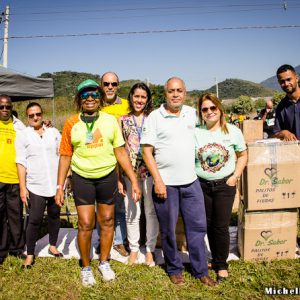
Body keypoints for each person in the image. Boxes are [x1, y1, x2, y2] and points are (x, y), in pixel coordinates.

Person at [55, 79, 141, 286]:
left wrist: (133, 179)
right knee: (85, 223)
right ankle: (86, 267)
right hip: (82, 177)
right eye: (85, 95)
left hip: (107, 176)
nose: (90, 98)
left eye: (94, 94)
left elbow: (120, 151)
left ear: (100, 97)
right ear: (79, 99)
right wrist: (59, 186)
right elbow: (65, 155)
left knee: (108, 221)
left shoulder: (110, 121)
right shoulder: (70, 123)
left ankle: (103, 262)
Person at [141, 77, 216, 286]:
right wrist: (158, 181)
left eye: (179, 90)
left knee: (197, 228)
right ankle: (174, 268)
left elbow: (215, 124)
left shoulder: (192, 113)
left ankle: (200, 270)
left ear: (185, 92)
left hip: (191, 182)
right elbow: (146, 151)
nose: (175, 94)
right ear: (165, 93)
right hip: (165, 184)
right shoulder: (155, 117)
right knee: (168, 230)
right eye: (171, 91)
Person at [195, 93, 247, 283]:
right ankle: (215, 260)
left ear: (219, 109)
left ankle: (222, 265)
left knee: (221, 225)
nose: (209, 112)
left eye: (212, 108)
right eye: (205, 109)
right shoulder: (196, 132)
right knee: (208, 224)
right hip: (202, 185)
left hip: (225, 185)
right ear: (200, 112)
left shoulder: (233, 131)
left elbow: (242, 155)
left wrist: (235, 177)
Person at [15, 102, 62, 268]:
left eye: (38, 114)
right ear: (27, 117)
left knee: (55, 215)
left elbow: (62, 155)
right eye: (31, 115)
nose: (35, 117)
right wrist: (22, 187)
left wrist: (65, 180)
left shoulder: (54, 132)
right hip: (36, 185)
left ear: (42, 114)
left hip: (55, 184)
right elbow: (20, 162)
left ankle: (53, 245)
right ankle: (30, 254)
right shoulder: (23, 136)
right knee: (34, 220)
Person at [118, 82, 159, 266]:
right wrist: (120, 176)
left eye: (143, 97)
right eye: (136, 96)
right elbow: (119, 150)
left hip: (151, 171)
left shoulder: (154, 118)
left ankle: (150, 249)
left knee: (150, 211)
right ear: (131, 97)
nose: (139, 100)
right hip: (130, 173)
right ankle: (134, 249)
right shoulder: (122, 120)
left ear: (147, 99)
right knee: (132, 211)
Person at [98, 71, 131, 257]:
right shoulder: (94, 104)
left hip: (121, 161)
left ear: (118, 85)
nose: (110, 87)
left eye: (114, 84)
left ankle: (119, 240)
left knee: (119, 205)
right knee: (100, 207)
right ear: (101, 85)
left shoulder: (126, 105)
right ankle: (101, 240)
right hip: (100, 162)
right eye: (106, 84)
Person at [0, 95, 26, 265]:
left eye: (7, 107)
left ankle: (17, 248)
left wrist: (46, 126)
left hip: (15, 178)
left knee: (16, 215)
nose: (4, 110)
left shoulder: (19, 126)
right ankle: (1, 251)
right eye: (1, 107)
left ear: (12, 108)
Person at [273, 64, 300, 141]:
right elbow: (276, 133)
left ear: (296, 78)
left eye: (288, 79)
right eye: (282, 81)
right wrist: (284, 132)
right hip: (294, 151)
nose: (286, 84)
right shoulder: (281, 107)